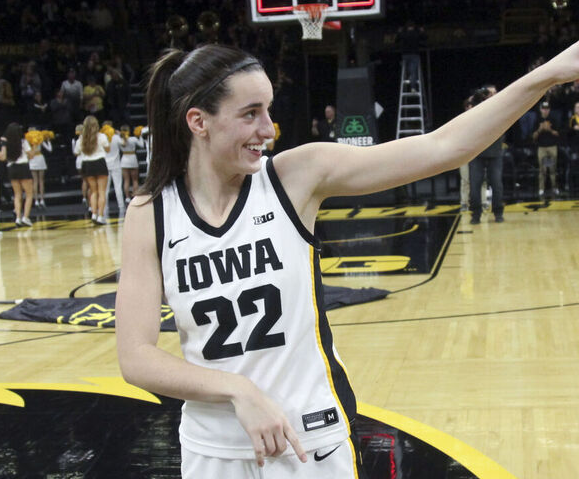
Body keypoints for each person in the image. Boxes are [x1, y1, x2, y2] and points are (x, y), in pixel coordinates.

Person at [116, 42, 579, 478]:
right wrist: (237, 389)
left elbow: (445, 147)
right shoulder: (150, 214)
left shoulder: (294, 178)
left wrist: (549, 75)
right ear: (198, 122)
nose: (268, 129)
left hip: (310, 441)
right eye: (251, 114)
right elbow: (135, 356)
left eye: (269, 111)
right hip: (212, 452)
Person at [469, 85, 505, 224]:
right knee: (474, 186)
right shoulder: (477, 107)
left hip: (495, 152)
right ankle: (476, 214)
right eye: (489, 93)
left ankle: (498, 212)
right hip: (477, 152)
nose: (492, 95)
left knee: (497, 184)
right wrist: (478, 96)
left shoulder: (500, 107)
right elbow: (470, 106)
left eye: (494, 93)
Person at [74, 115, 110, 224]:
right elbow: (108, 149)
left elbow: (76, 152)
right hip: (100, 162)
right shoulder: (102, 136)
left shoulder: (81, 139)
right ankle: (100, 216)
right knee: (102, 192)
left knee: (93, 191)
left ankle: (94, 214)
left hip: (87, 164)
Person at [4, 123, 36, 226]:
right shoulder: (23, 141)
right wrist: (34, 145)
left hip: (12, 168)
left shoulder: (6, 143)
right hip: (23, 167)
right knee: (29, 194)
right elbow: (31, 155)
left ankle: (18, 218)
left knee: (17, 194)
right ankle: (25, 217)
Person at [533, 100, 560, 197]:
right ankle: (541, 188)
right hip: (541, 148)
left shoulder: (553, 119)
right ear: (540, 109)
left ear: (549, 109)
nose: (545, 111)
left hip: (552, 146)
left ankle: (554, 187)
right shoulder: (537, 120)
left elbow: (558, 134)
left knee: (553, 169)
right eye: (544, 109)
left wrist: (550, 130)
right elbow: (533, 136)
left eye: (547, 109)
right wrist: (540, 129)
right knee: (542, 169)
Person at [102, 121, 125, 215]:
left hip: (105, 165)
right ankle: (121, 206)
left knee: (105, 188)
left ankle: (105, 206)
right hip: (116, 165)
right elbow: (124, 143)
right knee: (118, 187)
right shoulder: (115, 137)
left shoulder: (101, 137)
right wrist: (120, 135)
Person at [28, 128, 51, 209]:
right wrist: (48, 140)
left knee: (35, 181)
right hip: (40, 158)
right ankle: (42, 200)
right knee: (41, 181)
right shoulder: (40, 140)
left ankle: (36, 201)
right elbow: (49, 149)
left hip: (32, 159)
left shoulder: (28, 141)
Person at [119, 124, 142, 203]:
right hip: (132, 159)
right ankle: (135, 196)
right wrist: (140, 136)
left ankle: (127, 197)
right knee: (135, 180)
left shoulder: (120, 140)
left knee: (126, 180)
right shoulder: (133, 139)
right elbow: (142, 145)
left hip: (124, 160)